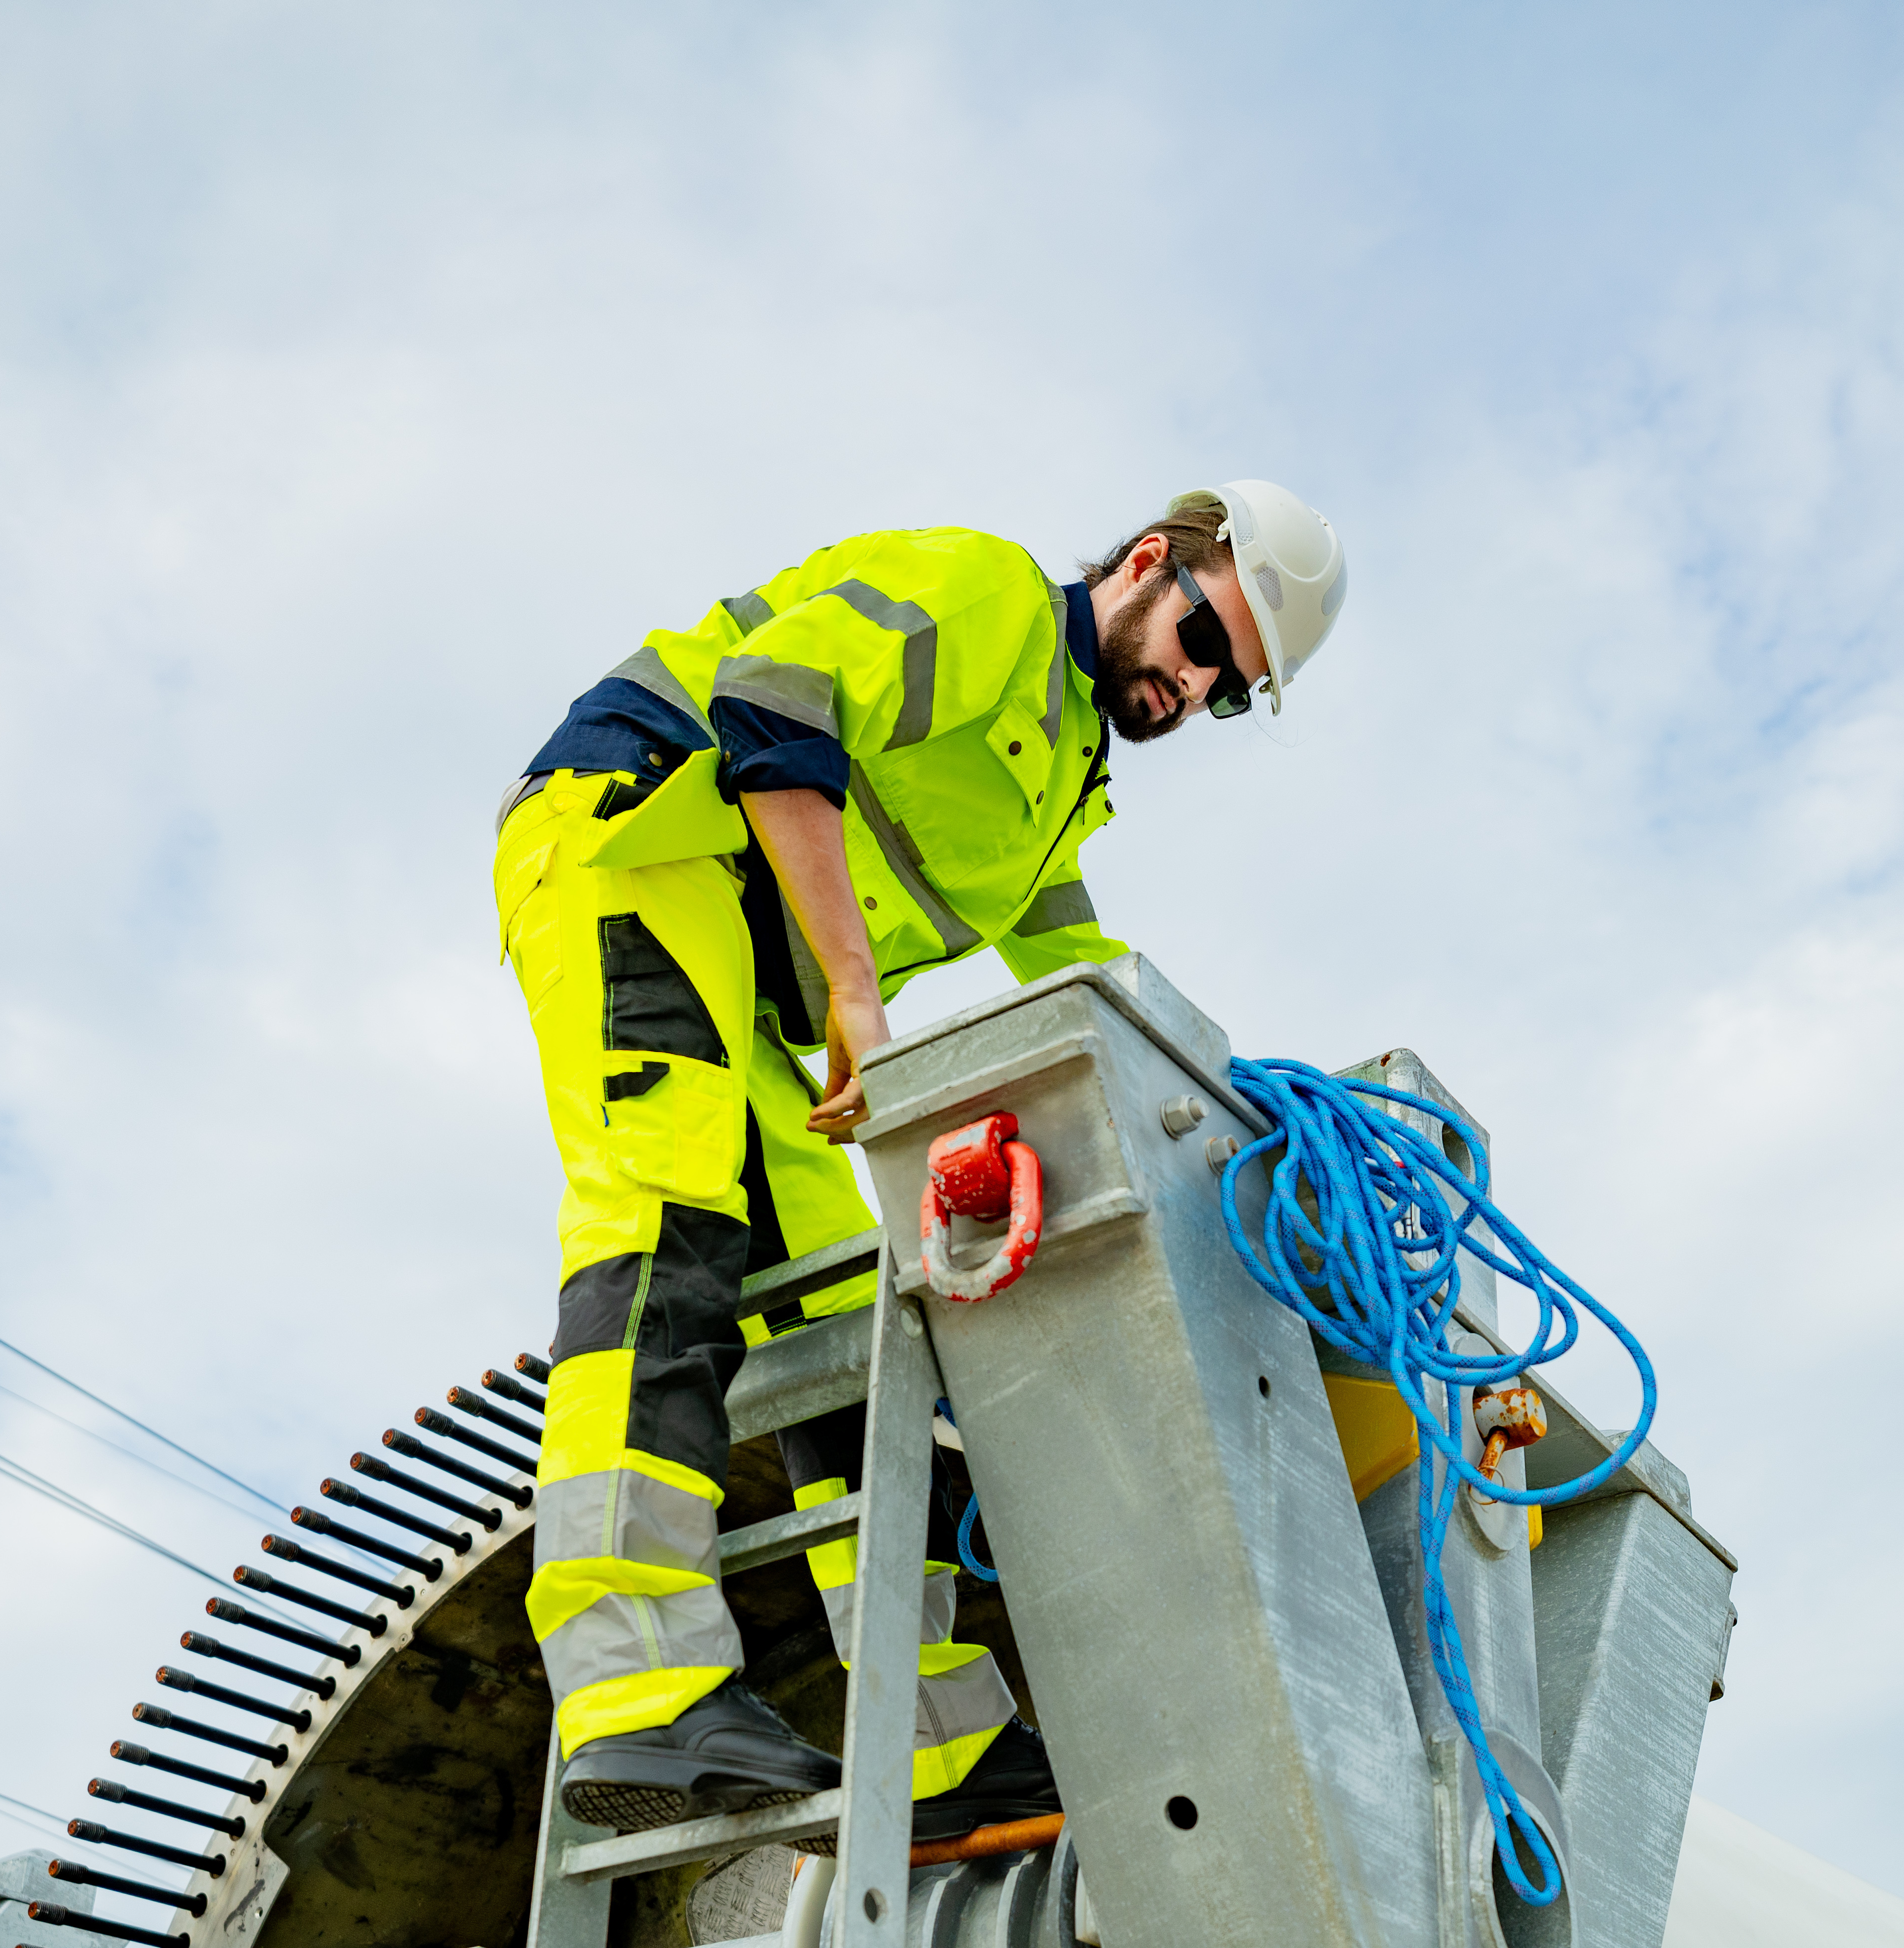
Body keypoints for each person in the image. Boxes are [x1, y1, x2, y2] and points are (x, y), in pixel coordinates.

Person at [497, 484, 1348, 1836]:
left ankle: (936, 1742)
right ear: (1148, 564)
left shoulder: (1063, 789)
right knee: (665, 1222)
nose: (1193, 690)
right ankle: (635, 1685)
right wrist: (855, 994)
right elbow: (773, 699)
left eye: (1228, 692)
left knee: (853, 1321)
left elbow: (1095, 995)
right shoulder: (992, 597)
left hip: (739, 959)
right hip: (636, 838)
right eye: (1203, 642)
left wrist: (1255, 1132)